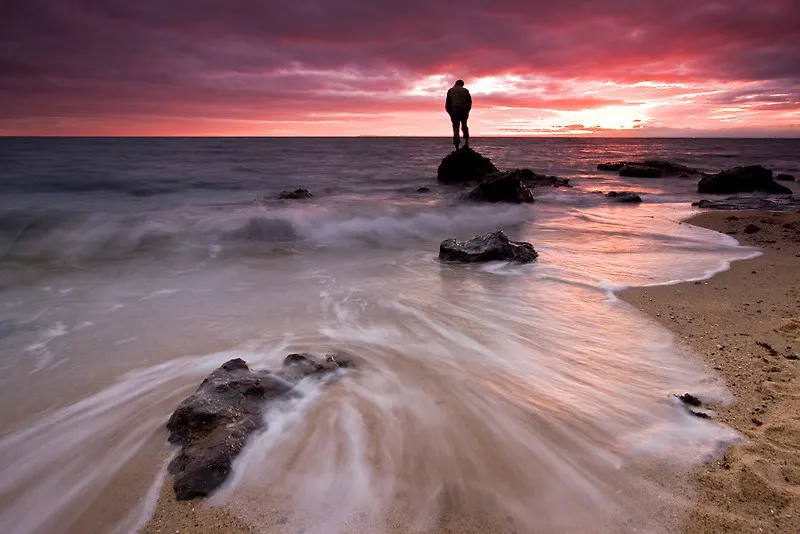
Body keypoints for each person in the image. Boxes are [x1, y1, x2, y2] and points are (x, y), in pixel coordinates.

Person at [445, 79, 471, 150]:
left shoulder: (450, 90)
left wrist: (450, 113)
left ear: (455, 83)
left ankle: (457, 147)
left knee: (455, 129)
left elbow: (447, 104)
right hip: (463, 111)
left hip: (454, 111)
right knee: (464, 126)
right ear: (462, 84)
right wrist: (467, 111)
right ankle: (466, 142)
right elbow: (469, 102)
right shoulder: (465, 90)